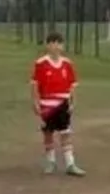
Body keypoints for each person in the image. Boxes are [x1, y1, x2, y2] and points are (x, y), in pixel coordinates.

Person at [31, 32, 86, 176]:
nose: (56, 46)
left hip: (63, 103)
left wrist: (73, 101)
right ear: (47, 45)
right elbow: (35, 85)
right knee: (48, 133)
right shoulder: (41, 64)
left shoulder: (67, 64)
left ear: (62, 46)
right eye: (52, 43)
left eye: (58, 43)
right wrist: (35, 102)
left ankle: (70, 164)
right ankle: (51, 162)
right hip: (47, 103)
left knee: (65, 133)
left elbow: (72, 85)